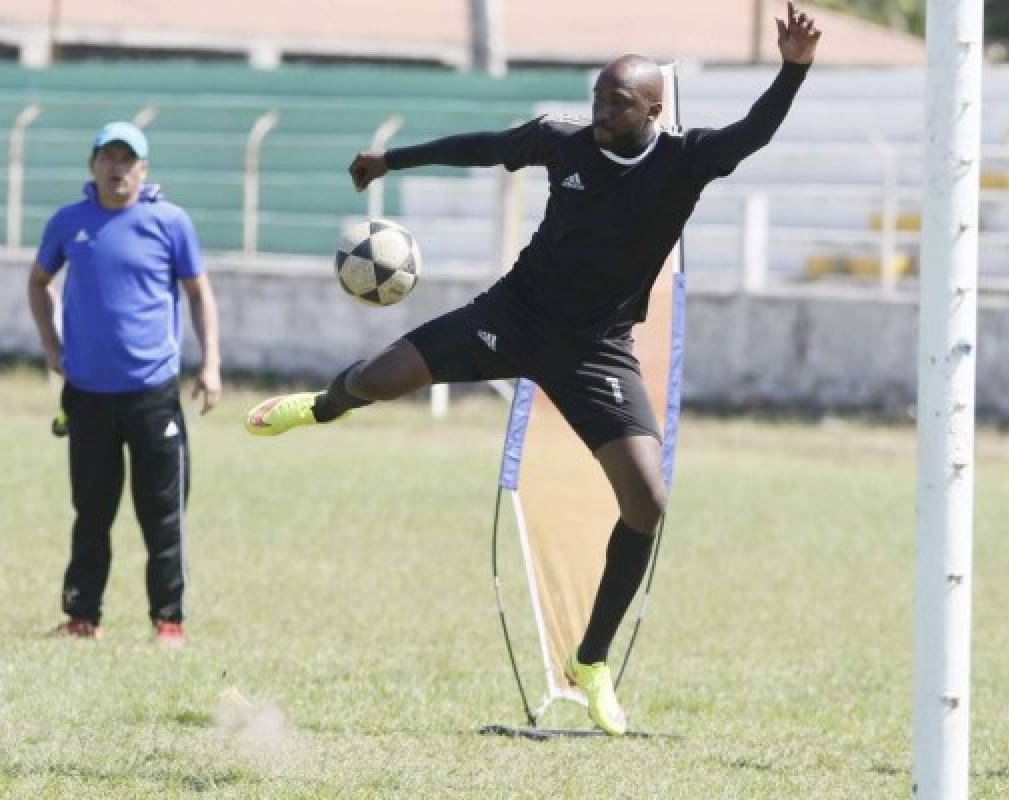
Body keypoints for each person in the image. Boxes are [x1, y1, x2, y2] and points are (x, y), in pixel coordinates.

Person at [245, 4, 820, 732]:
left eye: (617, 102)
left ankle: (592, 661)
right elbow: (487, 147)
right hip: (515, 316)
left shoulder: (686, 160)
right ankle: (320, 406)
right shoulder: (563, 141)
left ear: (653, 109)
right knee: (379, 380)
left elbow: (755, 131)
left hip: (597, 351)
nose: (601, 111)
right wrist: (393, 160)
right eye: (598, 97)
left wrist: (793, 68)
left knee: (647, 501)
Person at [27, 121, 222, 646]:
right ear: (92, 165)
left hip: (152, 393)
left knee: (162, 515)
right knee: (91, 512)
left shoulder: (170, 222)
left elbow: (199, 292)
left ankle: (169, 621)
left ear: (143, 169)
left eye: (127, 159)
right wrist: (51, 347)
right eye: (108, 157)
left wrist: (211, 363)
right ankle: (81, 617)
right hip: (88, 394)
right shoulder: (69, 222)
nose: (118, 168)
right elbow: (39, 283)